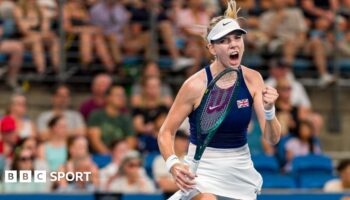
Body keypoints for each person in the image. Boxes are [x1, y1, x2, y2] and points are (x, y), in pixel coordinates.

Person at [157, 1, 281, 199]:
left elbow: (272, 139)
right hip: (202, 170)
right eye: (224, 41)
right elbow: (166, 132)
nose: (233, 44)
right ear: (211, 48)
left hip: (240, 170)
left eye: (237, 38)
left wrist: (269, 110)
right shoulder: (194, 85)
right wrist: (173, 164)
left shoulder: (253, 79)